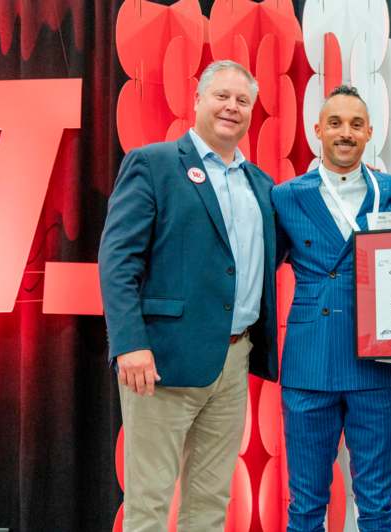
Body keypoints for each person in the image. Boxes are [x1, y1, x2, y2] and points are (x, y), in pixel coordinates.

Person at [98, 60, 278, 531]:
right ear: (197, 99)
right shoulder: (153, 164)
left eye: (242, 101)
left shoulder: (261, 185)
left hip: (234, 361)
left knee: (210, 502)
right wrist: (129, 343)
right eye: (222, 96)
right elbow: (118, 262)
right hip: (159, 361)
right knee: (149, 503)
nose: (232, 107)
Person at [272, 85, 391, 531]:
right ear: (317, 130)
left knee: (377, 504)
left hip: (377, 363)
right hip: (308, 360)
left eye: (356, 124)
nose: (345, 133)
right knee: (306, 503)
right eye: (335, 123)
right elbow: (262, 270)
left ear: (371, 132)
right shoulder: (285, 195)